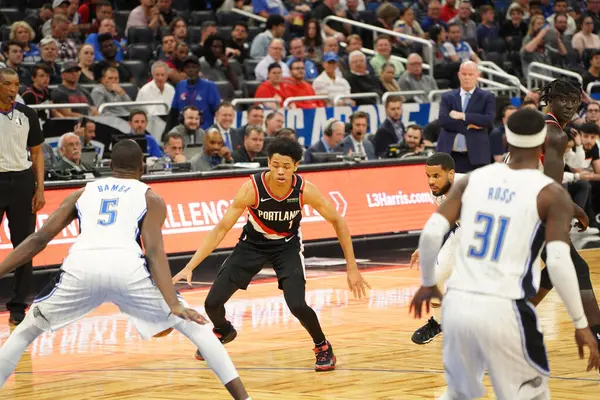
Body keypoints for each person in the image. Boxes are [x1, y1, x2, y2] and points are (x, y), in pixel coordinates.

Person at [0, 140, 250, 399]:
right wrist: (173, 304)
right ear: (142, 167)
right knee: (196, 328)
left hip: (81, 267)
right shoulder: (150, 197)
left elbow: (38, 240)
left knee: (25, 331)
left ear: (109, 165)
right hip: (127, 268)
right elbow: (154, 252)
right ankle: (244, 398)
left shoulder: (83, 192)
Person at [410, 108, 600, 399]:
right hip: (505, 308)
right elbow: (560, 263)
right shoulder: (546, 192)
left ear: (506, 142)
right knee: (529, 392)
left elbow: (432, 234)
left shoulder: (473, 181)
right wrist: (580, 322)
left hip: (462, 305)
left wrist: (426, 281)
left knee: (459, 391)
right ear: (542, 145)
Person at [173, 137, 370, 371]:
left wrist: (352, 267)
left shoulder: (304, 190)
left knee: (297, 304)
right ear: (268, 163)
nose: (280, 171)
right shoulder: (251, 189)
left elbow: (338, 221)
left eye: (286, 167)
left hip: (286, 247)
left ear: (296, 167)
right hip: (252, 245)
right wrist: (190, 266)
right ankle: (224, 330)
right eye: (275, 165)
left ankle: (322, 346)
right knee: (212, 303)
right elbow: (221, 229)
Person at [529, 79, 600, 359]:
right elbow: (551, 187)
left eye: (574, 100)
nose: (570, 105)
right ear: (550, 99)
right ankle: (597, 334)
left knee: (558, 270)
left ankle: (515, 318)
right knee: (578, 269)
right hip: (534, 211)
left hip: (522, 206)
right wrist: (577, 210)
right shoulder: (555, 134)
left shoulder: (537, 124)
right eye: (563, 99)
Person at [0, 68, 46, 325]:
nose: (13, 89)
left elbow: (37, 152)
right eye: (7, 84)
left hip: (22, 182)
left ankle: (18, 305)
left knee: (25, 246)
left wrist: (39, 188)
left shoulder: (28, 114)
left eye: (16, 84)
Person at [409, 153, 465, 345]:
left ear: (451, 175)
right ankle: (438, 323)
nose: (431, 181)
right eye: (428, 176)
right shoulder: (439, 191)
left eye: (435, 176)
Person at [437, 61, 495, 172]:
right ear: (459, 75)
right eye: (464, 74)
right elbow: (444, 121)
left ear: (477, 75)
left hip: (477, 155)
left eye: (470, 74)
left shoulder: (487, 97)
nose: (467, 78)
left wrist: (463, 116)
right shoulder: (447, 97)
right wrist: (471, 125)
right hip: (449, 154)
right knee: (449, 188)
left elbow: (488, 120)